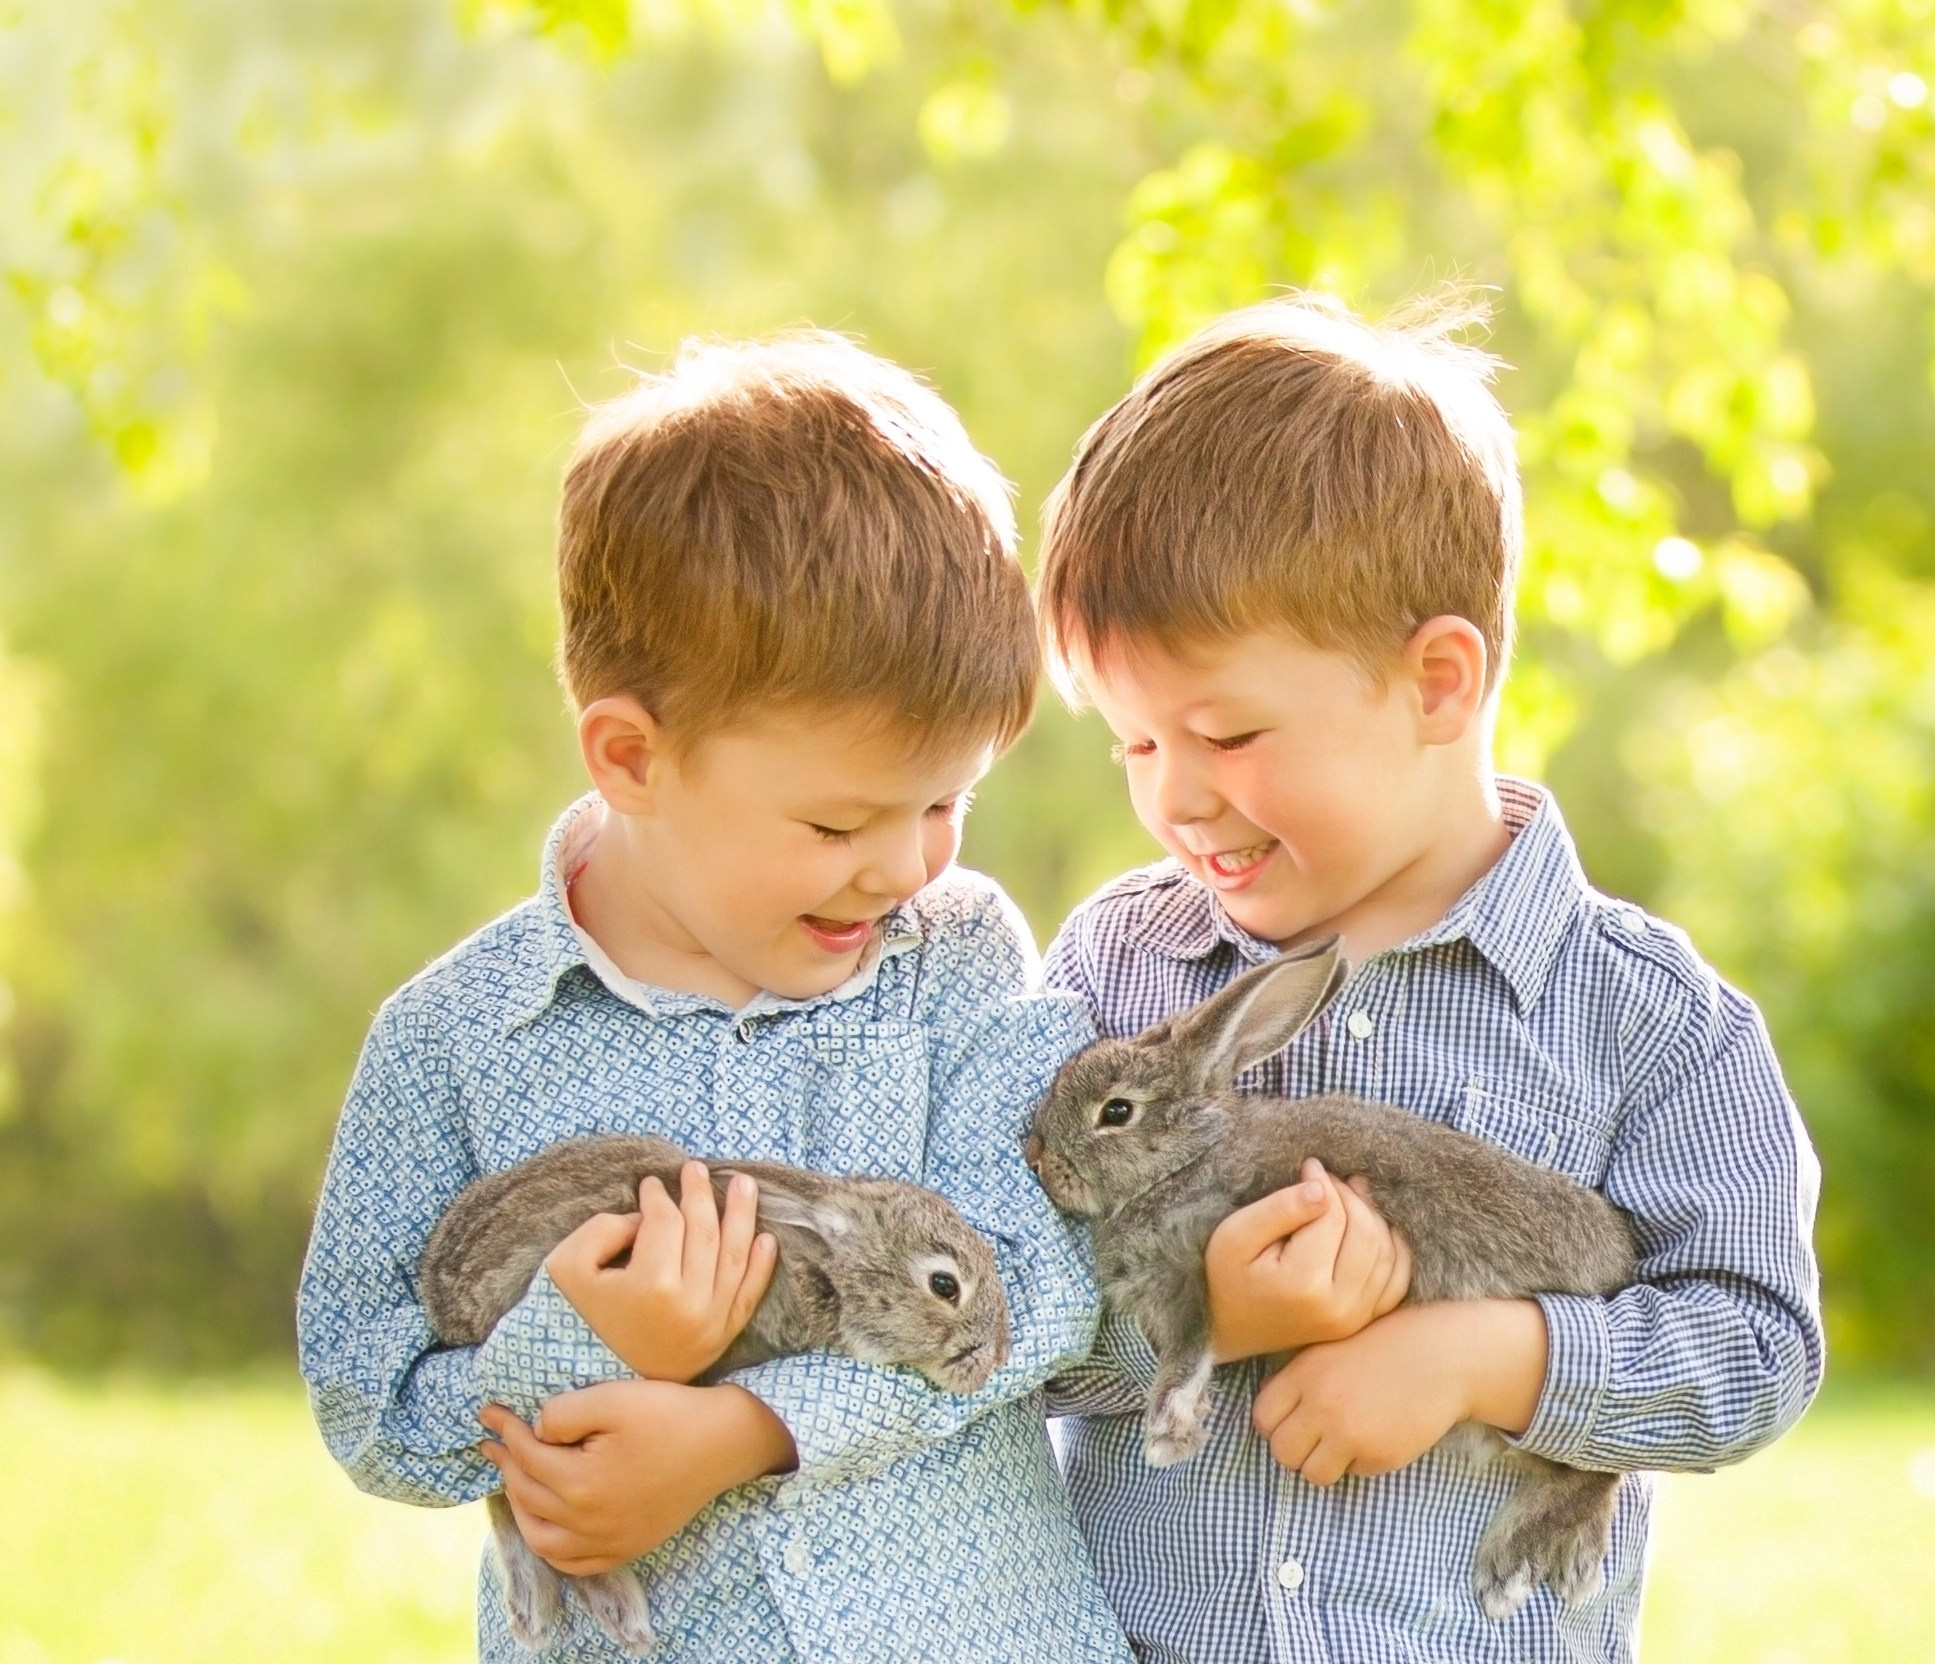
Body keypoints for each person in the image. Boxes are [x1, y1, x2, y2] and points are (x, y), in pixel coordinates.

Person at [297, 331, 1128, 1662]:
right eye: (839, 821)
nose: (908, 863)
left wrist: (748, 1429)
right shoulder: (458, 1040)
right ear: (633, 757)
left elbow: (1046, 1279)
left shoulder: (956, 962)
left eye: (946, 803)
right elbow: (370, 1399)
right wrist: (583, 1345)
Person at [1037, 293, 1825, 1662]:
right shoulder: (1121, 966)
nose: (1176, 799)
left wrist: (1489, 1358)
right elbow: (1009, 1322)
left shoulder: (1646, 1022)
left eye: (1223, 732)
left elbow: (1755, 1350)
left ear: (1438, 683)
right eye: (1134, 745)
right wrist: (1214, 1310)